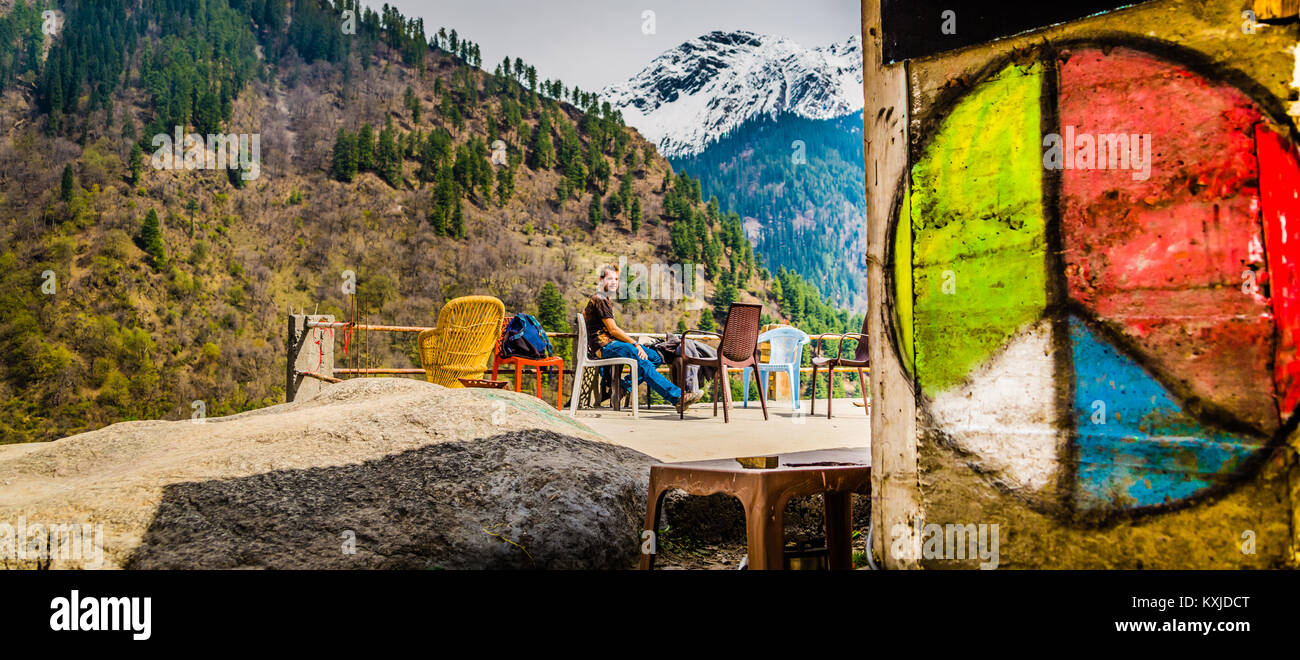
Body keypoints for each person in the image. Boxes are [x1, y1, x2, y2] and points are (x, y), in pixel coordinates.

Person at [583, 264, 704, 412]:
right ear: (601, 279)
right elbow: (613, 329)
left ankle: (624, 386)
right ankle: (677, 397)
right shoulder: (599, 299)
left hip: (613, 344)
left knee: (655, 357)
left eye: (616, 278)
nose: (614, 282)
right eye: (610, 278)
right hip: (604, 347)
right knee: (642, 358)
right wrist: (635, 344)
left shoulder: (605, 299)